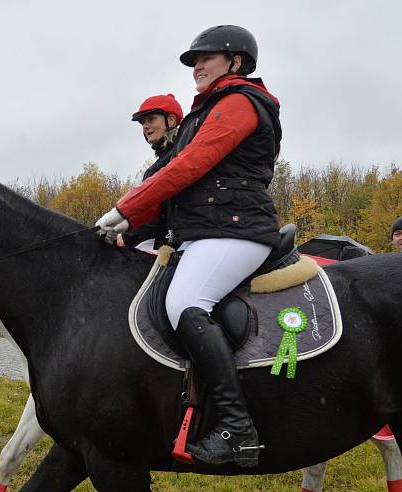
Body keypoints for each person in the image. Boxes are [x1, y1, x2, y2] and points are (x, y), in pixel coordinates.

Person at [96, 25, 281, 468]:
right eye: (194, 59)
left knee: (184, 303)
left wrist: (126, 207)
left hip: (236, 232)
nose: (196, 65)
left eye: (207, 57)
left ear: (235, 62)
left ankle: (239, 431)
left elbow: (189, 166)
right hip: (207, 233)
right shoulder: (208, 109)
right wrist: (128, 226)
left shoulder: (238, 103)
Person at [113, 94, 184, 250]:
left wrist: (127, 237)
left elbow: (159, 212)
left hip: (178, 242)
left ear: (171, 120)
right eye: (143, 122)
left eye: (151, 119)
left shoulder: (176, 158)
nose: (145, 126)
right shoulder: (162, 160)